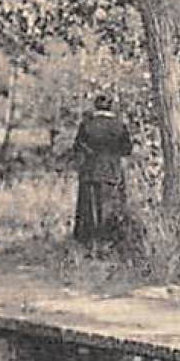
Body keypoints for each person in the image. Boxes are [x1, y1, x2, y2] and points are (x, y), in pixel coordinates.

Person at [71, 93, 134, 246]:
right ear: (111, 106)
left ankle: (89, 244)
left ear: (95, 106)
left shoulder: (86, 124)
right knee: (110, 207)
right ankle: (109, 244)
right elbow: (127, 149)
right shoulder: (119, 125)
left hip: (90, 172)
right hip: (112, 172)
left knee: (89, 209)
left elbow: (77, 146)